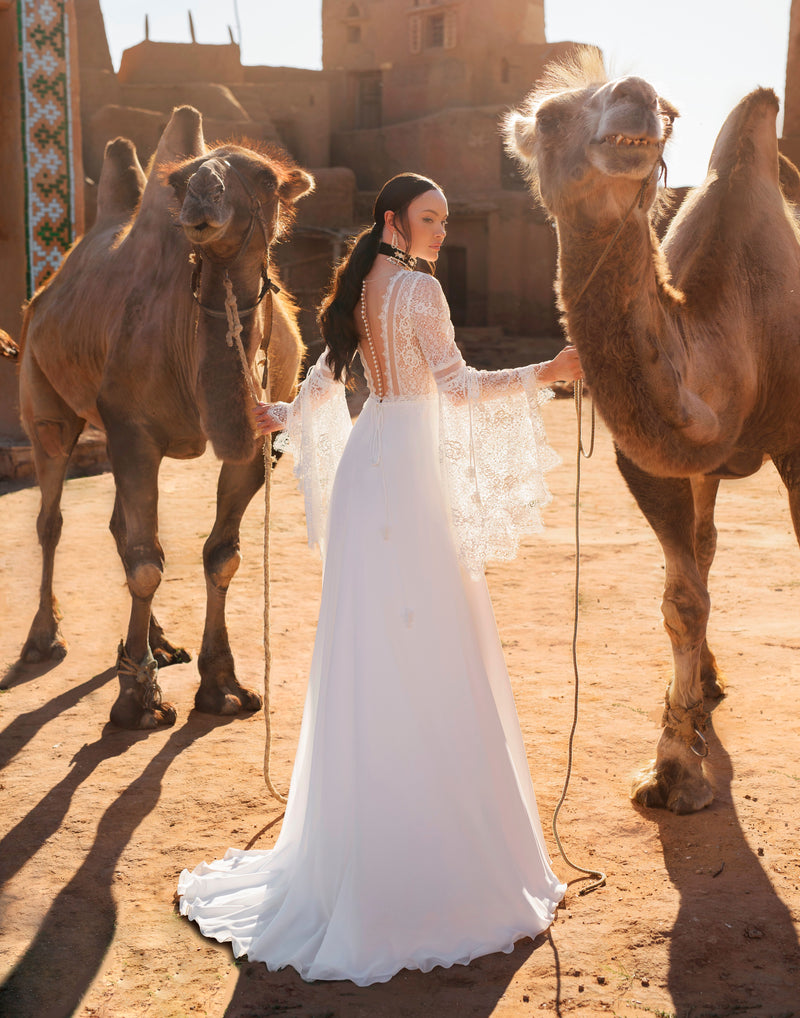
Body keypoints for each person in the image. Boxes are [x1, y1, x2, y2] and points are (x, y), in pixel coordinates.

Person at [177, 172, 583, 987]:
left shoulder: (362, 284)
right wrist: (552, 368)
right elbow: (460, 390)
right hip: (411, 477)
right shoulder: (421, 294)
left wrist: (284, 415)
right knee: (433, 649)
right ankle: (433, 868)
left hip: (374, 470)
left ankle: (365, 847)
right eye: (430, 218)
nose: (440, 230)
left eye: (445, 218)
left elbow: (330, 372)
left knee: (372, 649)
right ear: (393, 221)